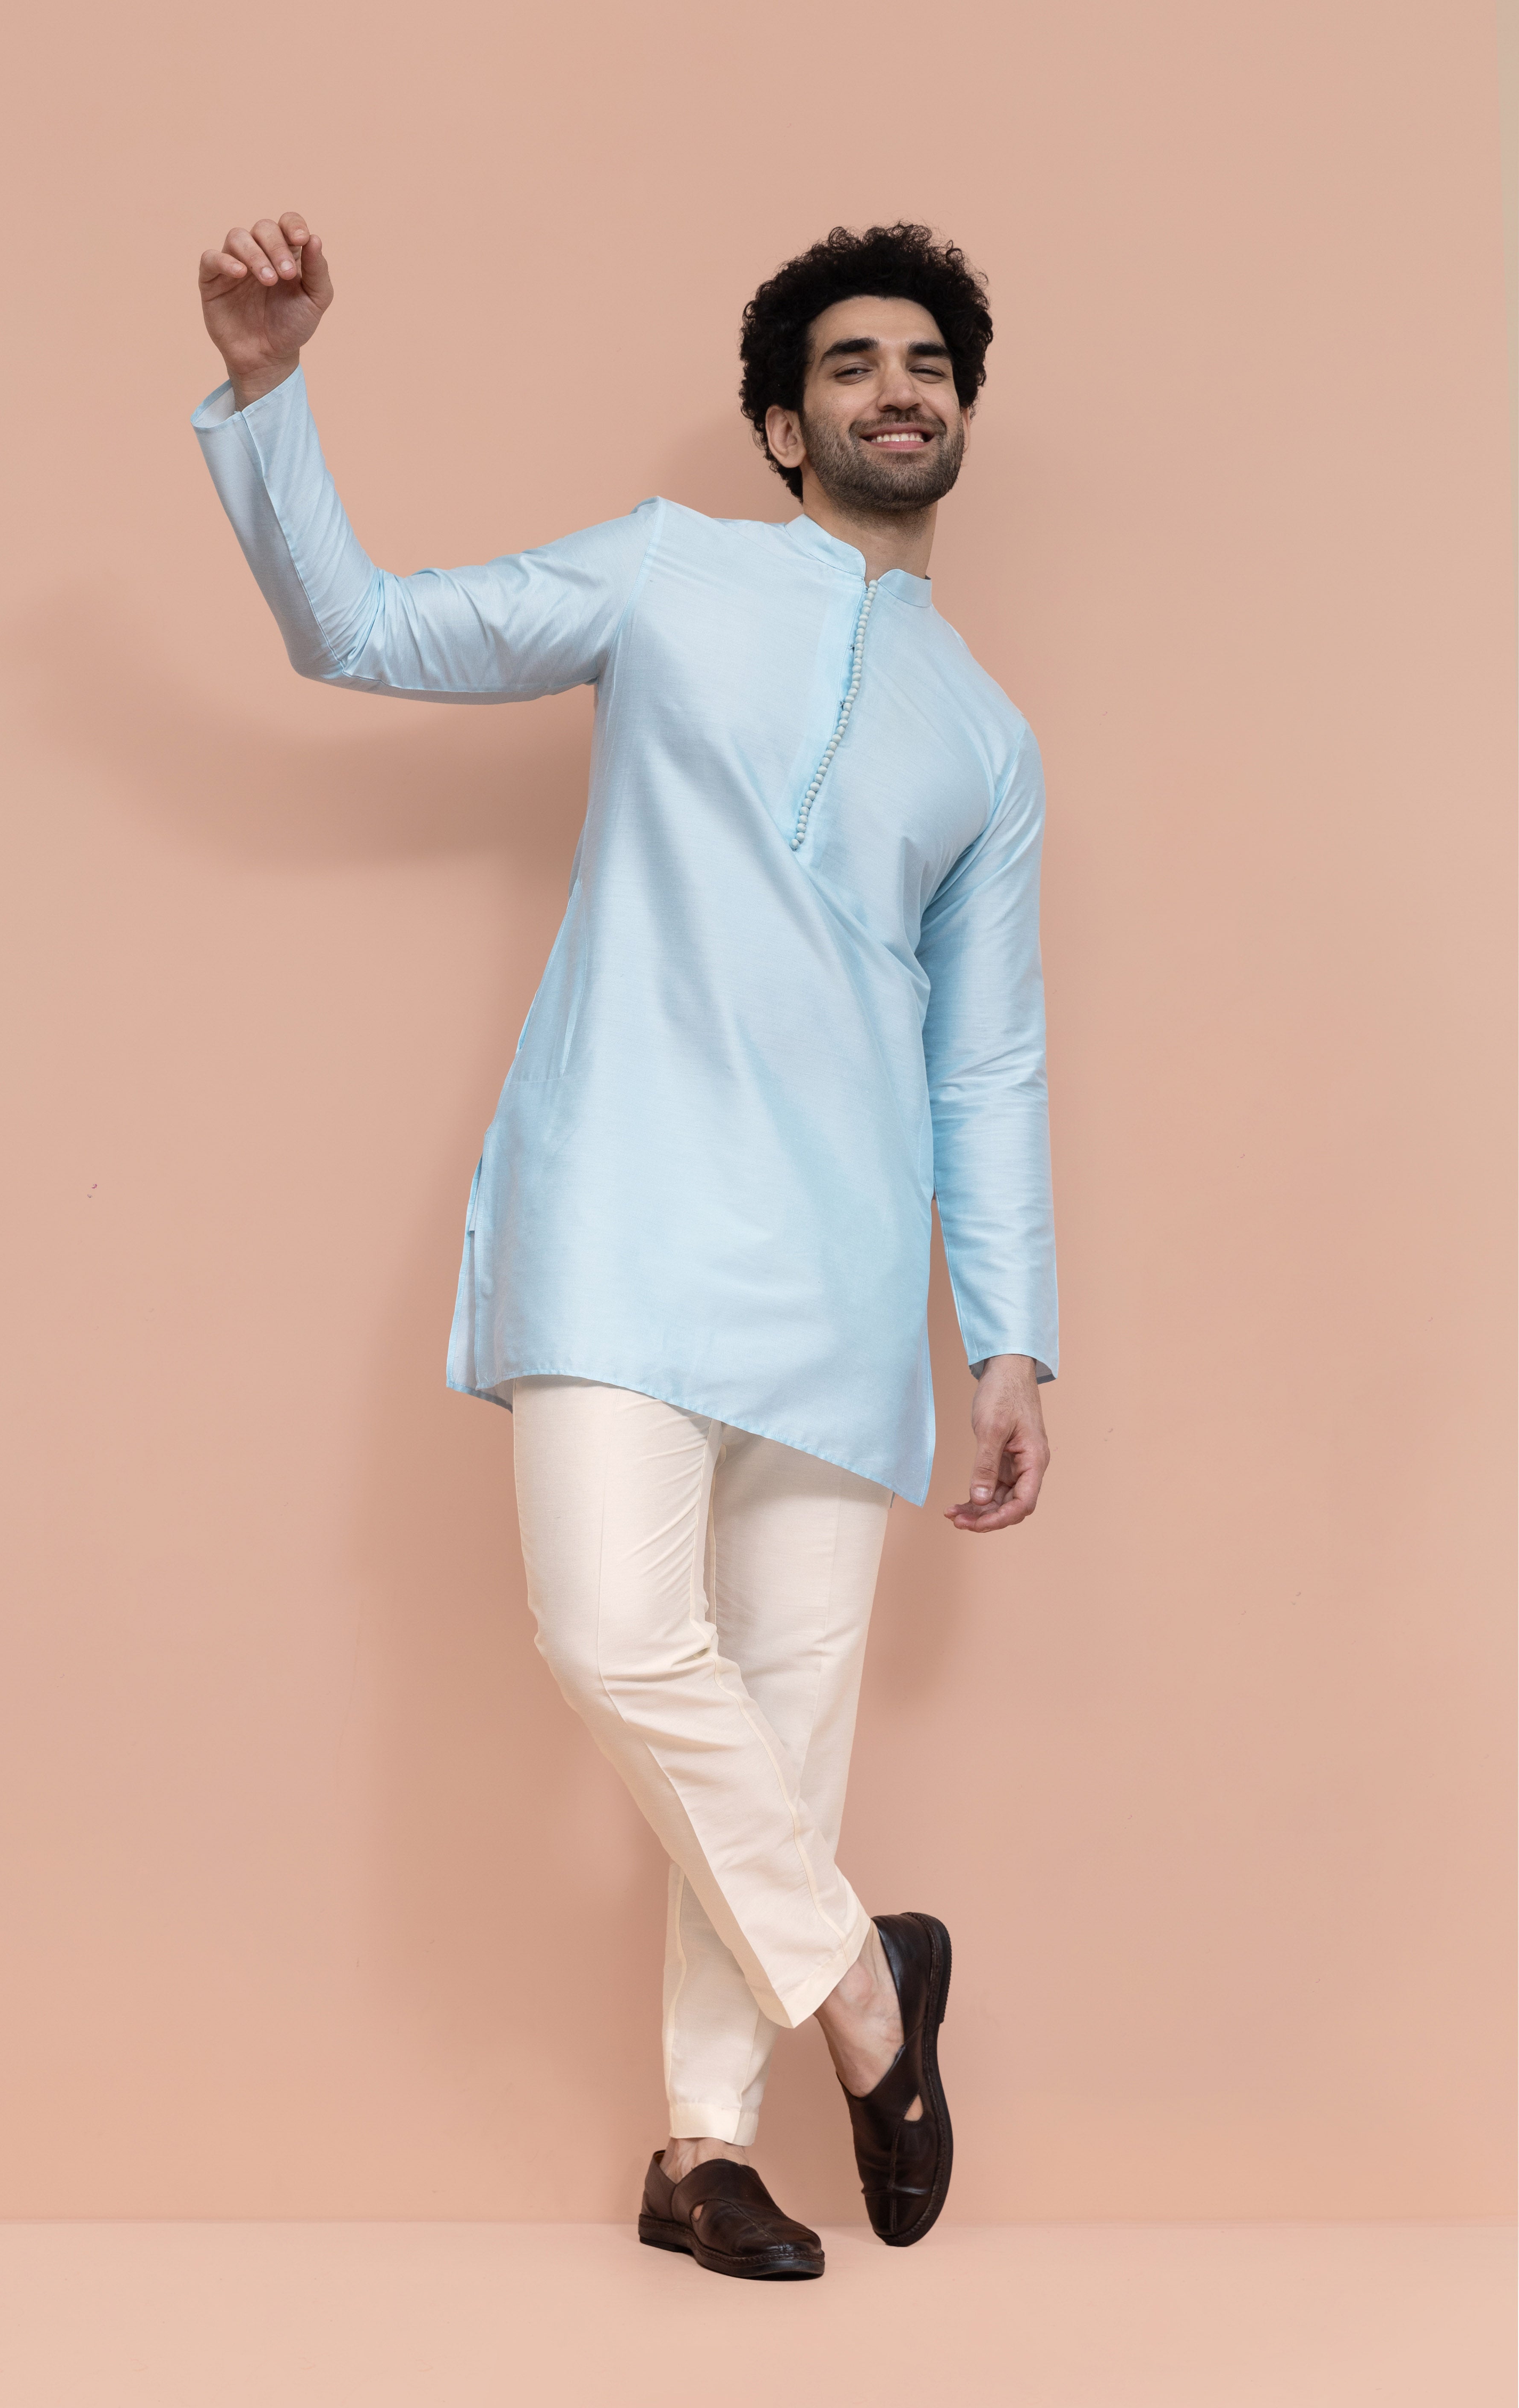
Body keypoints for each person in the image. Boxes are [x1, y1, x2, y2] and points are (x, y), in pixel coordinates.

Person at [192, 214, 1057, 2280]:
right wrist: (266, 392)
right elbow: (364, 630)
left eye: (926, 363)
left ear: (960, 412)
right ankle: (868, 1990)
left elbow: (989, 1057)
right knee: (611, 1636)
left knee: (783, 1721)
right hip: (623, 1208)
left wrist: (1009, 1339)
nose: (896, 388)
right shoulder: (669, 572)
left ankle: (702, 2152)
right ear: (783, 426)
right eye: (848, 364)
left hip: (844, 1273)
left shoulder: (988, 738)